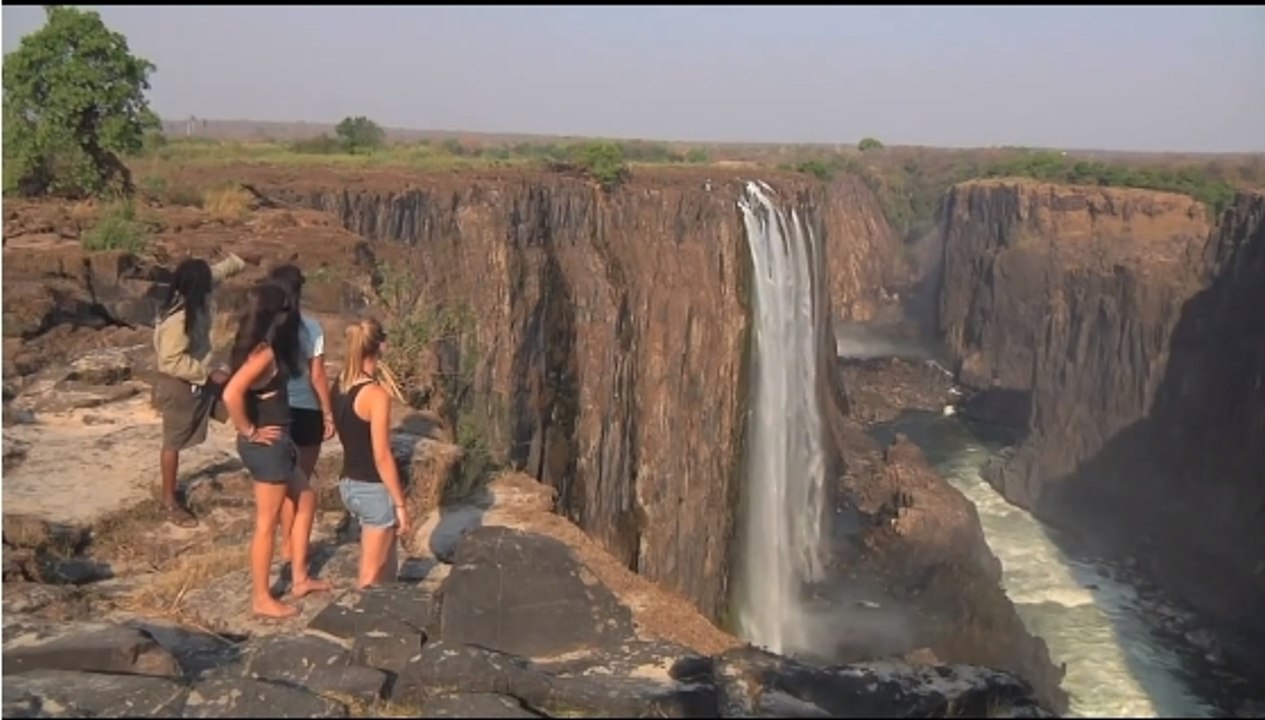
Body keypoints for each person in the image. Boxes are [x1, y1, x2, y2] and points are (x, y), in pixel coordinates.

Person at [221, 282, 331, 619]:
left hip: (279, 443)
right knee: (267, 523)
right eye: (285, 309)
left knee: (306, 498)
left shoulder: (252, 346)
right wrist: (249, 429)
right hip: (267, 447)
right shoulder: (264, 352)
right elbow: (231, 394)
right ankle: (261, 597)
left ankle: (299, 577)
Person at [152, 253, 245, 528]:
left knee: (237, 404)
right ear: (198, 287)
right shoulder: (178, 319)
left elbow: (215, 273)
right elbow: (170, 360)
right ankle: (169, 500)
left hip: (198, 380)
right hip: (181, 385)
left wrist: (238, 260)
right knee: (173, 442)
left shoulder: (191, 294)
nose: (211, 285)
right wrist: (207, 374)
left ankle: (262, 461)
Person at [333, 318, 411, 589]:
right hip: (372, 487)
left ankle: (388, 604)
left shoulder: (340, 384)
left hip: (349, 482)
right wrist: (400, 503)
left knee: (387, 562)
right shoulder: (375, 395)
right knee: (368, 578)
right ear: (381, 346)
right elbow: (381, 455)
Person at [266, 265, 335, 563]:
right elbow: (317, 375)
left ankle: (285, 543)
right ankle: (296, 546)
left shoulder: (265, 326)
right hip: (306, 410)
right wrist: (328, 412)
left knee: (283, 481)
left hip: (275, 411)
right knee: (302, 481)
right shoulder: (311, 328)